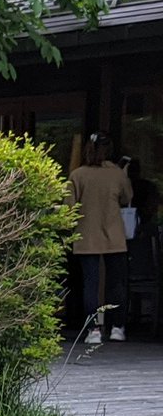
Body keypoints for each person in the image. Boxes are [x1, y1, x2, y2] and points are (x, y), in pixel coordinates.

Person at [68, 132, 134, 343]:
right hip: (114, 235)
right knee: (117, 284)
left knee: (90, 284)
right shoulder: (116, 174)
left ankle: (93, 330)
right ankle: (117, 327)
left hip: (86, 235)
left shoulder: (77, 175)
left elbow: (69, 207)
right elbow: (127, 197)